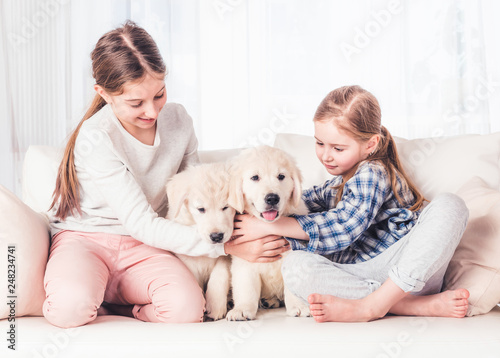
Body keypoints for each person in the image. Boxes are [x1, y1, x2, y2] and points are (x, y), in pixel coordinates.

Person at [44, 21, 289, 328]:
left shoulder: (179, 121)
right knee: (68, 310)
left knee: (187, 310)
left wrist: (243, 230)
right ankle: (92, 293)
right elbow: (142, 223)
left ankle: (120, 307)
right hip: (87, 241)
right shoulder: (96, 137)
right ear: (104, 94)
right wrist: (226, 246)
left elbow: (202, 197)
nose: (152, 112)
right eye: (136, 103)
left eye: (159, 95)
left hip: (146, 249)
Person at [232, 85, 470, 322]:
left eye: (337, 148)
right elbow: (301, 198)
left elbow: (345, 225)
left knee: (450, 205)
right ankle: (408, 305)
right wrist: (259, 206)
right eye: (320, 143)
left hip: (406, 271)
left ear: (370, 144)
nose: (326, 155)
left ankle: (373, 306)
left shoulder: (372, 172)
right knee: (295, 266)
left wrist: (271, 226)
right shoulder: (337, 184)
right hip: (360, 278)